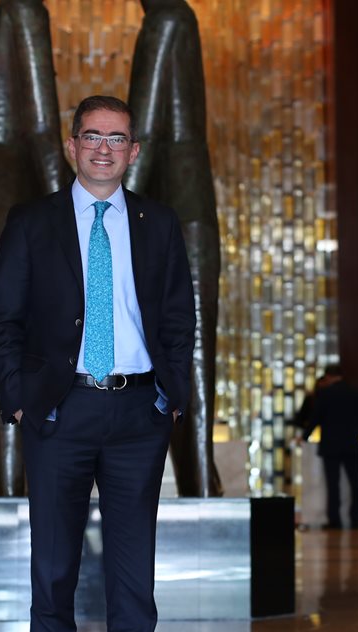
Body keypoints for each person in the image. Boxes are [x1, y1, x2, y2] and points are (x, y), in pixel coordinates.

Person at [0, 96, 198, 632]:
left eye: (118, 138)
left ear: (134, 151)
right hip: (60, 412)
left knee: (134, 581)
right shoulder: (32, 222)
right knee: (53, 574)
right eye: (93, 136)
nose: (105, 148)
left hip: (138, 415)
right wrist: (19, 401)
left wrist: (171, 398)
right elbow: (3, 320)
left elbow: (177, 318)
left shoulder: (159, 223)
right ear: (71, 146)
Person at [0, 0, 74, 497]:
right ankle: (13, 497)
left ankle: (13, 492)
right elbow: (45, 130)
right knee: (14, 356)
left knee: (10, 355)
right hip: (4, 208)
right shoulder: (26, 10)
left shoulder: (7, 12)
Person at [125, 0, 222, 497]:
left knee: (191, 357)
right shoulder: (178, 19)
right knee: (192, 355)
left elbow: (140, 133)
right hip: (190, 208)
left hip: (181, 212)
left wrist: (110, 209)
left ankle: (201, 482)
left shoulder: (167, 19)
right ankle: (200, 482)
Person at [295, 365, 358, 529]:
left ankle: (335, 520)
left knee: (333, 484)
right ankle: (356, 519)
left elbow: (315, 418)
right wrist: (355, 435)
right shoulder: (355, 392)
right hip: (352, 445)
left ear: (328, 377)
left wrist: (304, 437)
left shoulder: (326, 394)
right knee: (355, 483)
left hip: (331, 445)